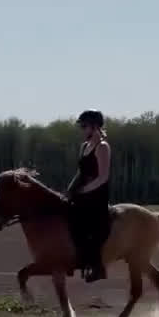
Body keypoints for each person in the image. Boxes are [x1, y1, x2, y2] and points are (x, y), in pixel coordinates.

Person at [66, 109, 111, 282]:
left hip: (97, 196)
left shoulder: (102, 147)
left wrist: (85, 190)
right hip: (81, 191)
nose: (82, 130)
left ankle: (97, 267)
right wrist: (70, 190)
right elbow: (81, 172)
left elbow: (103, 176)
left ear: (94, 127)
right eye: (81, 126)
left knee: (88, 226)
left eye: (84, 126)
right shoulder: (84, 147)